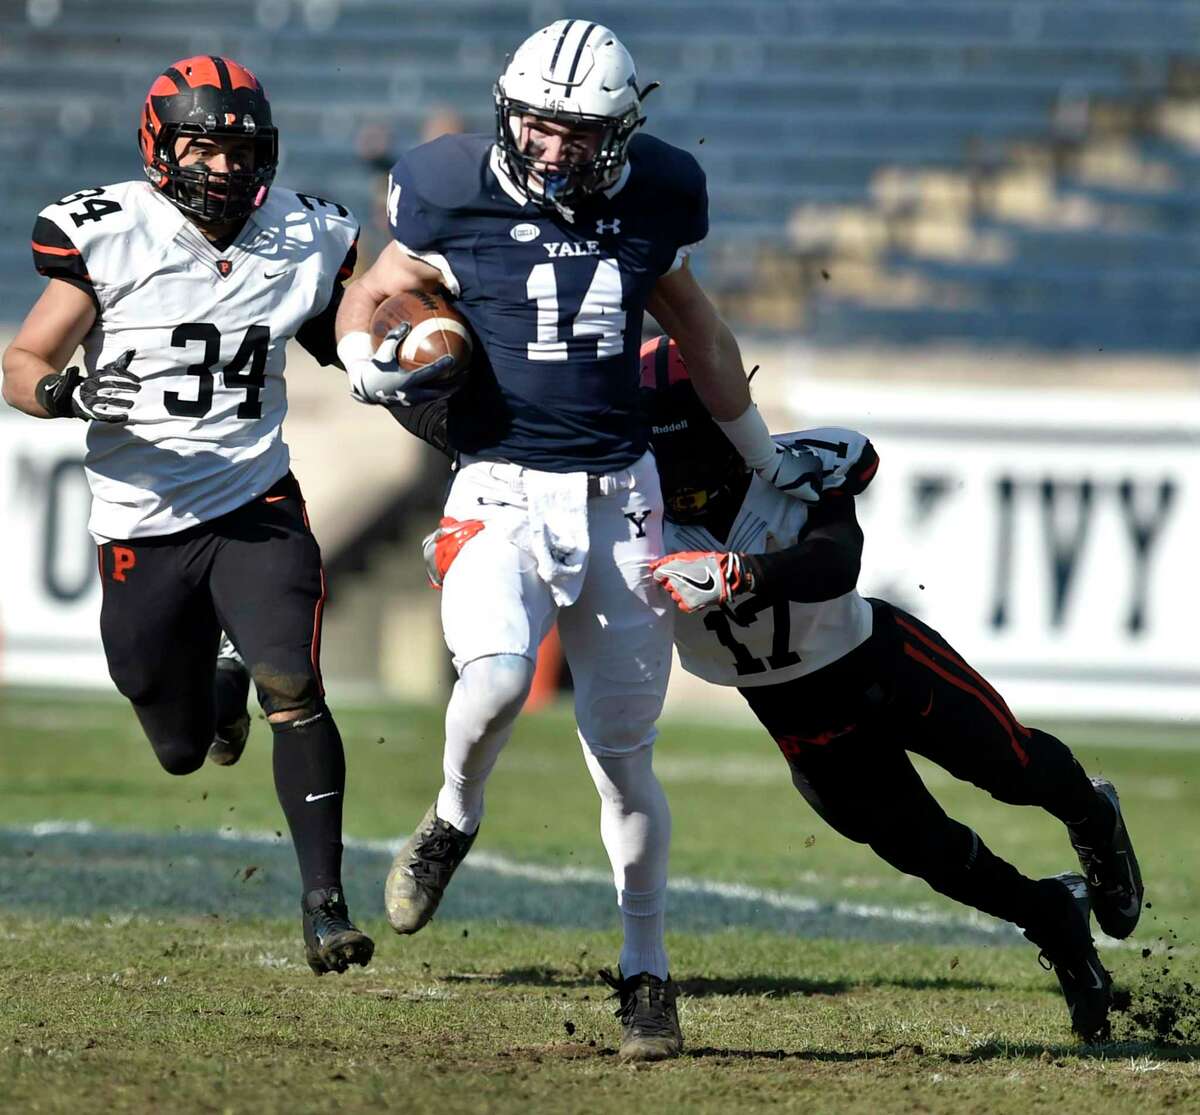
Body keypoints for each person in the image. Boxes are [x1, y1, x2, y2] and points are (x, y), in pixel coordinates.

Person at [333, 20, 824, 1061]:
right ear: (511, 116)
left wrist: (761, 449)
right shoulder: (447, 184)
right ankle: (451, 816)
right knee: (500, 677)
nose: (555, 152)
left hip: (618, 496)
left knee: (623, 757)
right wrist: (364, 360)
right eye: (540, 130)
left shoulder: (656, 192)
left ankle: (646, 972)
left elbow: (699, 332)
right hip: (501, 486)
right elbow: (374, 292)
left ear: (622, 132)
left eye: (580, 134)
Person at [641, 336, 1143, 1042]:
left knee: (1011, 765)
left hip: (880, 663)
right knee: (933, 854)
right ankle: (1056, 919)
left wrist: (744, 574)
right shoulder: (635, 520)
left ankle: (1092, 815)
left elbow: (835, 561)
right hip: (798, 722)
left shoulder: (788, 466)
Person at [1, 55, 374, 977]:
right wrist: (67, 390)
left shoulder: (306, 234)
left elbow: (349, 339)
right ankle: (216, 686)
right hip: (142, 517)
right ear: (161, 147)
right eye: (203, 146)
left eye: (241, 150)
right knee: (175, 746)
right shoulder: (113, 232)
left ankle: (324, 903)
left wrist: (402, 356)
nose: (223, 168)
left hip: (256, 501)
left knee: (296, 683)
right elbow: (20, 359)